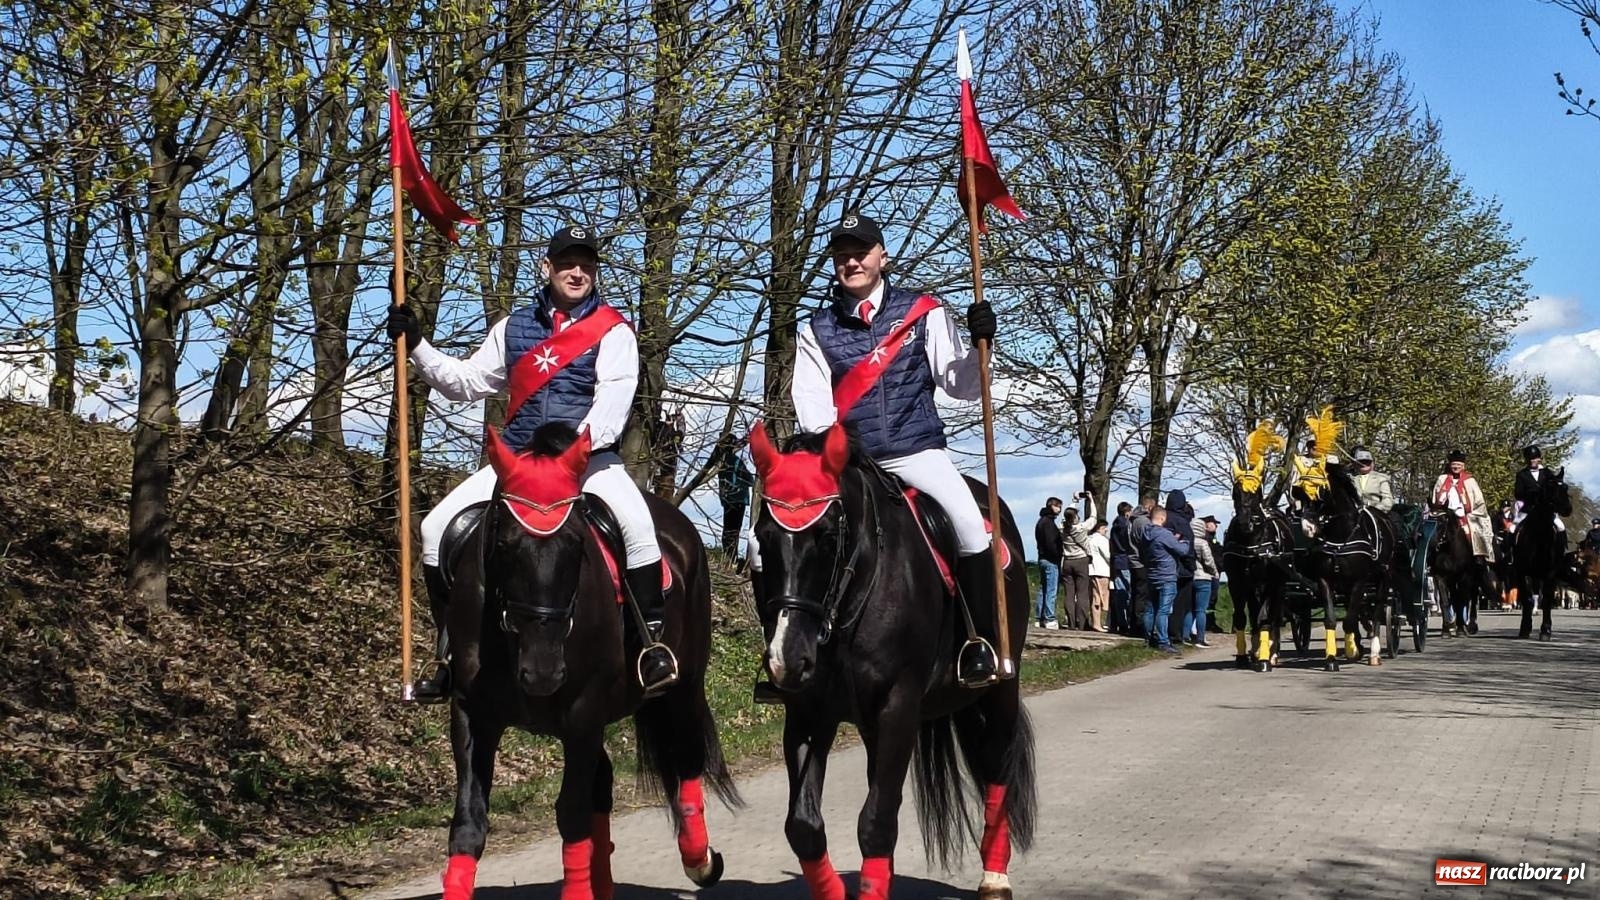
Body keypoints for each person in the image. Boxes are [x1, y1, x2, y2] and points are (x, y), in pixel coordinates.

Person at [387, 225, 678, 702]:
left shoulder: (615, 331)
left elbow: (613, 401)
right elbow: (467, 382)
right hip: (520, 464)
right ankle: (449, 651)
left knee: (638, 529)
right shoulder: (512, 328)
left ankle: (651, 645)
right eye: (567, 263)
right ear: (548, 268)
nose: (577, 272)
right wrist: (418, 345)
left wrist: (573, 453)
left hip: (588, 462)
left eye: (586, 264)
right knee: (435, 528)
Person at [789, 212, 1001, 683]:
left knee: (971, 528)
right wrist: (840, 459)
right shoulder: (815, 330)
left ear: (882, 257)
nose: (852, 262)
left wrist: (982, 347)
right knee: (771, 544)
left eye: (861, 252)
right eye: (842, 255)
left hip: (915, 449)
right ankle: (787, 657)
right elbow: (813, 409)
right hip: (851, 463)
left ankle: (977, 641)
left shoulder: (923, 312)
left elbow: (960, 384)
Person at [1139, 505, 1192, 654]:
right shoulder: (1164, 534)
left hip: (1152, 575)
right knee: (1163, 610)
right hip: (1166, 576)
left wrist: (1171, 540)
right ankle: (1163, 641)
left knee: (1150, 609)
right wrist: (1184, 541)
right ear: (1162, 518)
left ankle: (1149, 638)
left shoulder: (1145, 533)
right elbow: (1182, 550)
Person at [714, 434, 755, 558]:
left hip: (727, 499)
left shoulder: (720, 463)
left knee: (727, 529)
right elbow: (750, 480)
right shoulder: (736, 461)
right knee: (734, 530)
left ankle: (728, 557)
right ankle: (732, 558)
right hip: (738, 499)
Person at [1059, 493, 1097, 629]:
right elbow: (1093, 517)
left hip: (1067, 561)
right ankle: (1081, 623)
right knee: (1082, 593)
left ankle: (1070, 622)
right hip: (1081, 560)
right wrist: (1091, 500)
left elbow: (1067, 514)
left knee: (1069, 593)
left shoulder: (1062, 528)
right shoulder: (1081, 528)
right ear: (1076, 517)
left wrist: (1074, 501)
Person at [1513, 445, 1567, 535]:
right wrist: (1531, 494)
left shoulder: (1546, 472)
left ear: (1539, 458)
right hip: (1528, 509)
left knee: (1561, 527)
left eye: (1534, 458)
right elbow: (1518, 493)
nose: (1532, 461)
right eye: (1530, 458)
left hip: (1546, 510)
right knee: (1512, 528)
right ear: (1526, 460)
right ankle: (1510, 548)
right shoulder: (1522, 475)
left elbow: (1554, 489)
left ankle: (1560, 549)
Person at [1185, 511, 1218, 646]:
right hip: (1204, 578)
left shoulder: (1187, 542)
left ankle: (1185, 635)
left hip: (1190, 577)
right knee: (1201, 610)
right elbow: (1208, 561)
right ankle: (1200, 638)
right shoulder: (1203, 543)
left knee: (1190, 609)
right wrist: (1214, 572)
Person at [1034, 498, 1065, 629]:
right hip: (1051, 560)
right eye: (1058, 506)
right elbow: (1051, 543)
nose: (1060, 509)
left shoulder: (1041, 522)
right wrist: (1058, 555)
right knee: (1051, 590)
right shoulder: (1048, 523)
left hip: (1042, 558)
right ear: (1052, 506)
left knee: (1043, 589)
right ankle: (1049, 618)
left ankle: (1039, 617)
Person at [1108, 501, 1136, 634]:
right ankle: (1131, 621)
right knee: (1130, 592)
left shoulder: (1114, 527)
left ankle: (1121, 623)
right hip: (1126, 560)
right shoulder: (1127, 526)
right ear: (1126, 512)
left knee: (1120, 593)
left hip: (1116, 560)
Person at [1351, 446, 1395, 512]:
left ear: (1372, 463)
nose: (1364, 464)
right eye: (1361, 462)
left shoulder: (1380, 478)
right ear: (1355, 464)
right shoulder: (1350, 479)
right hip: (1355, 512)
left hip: (1377, 512)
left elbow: (1388, 500)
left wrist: (1377, 509)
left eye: (1367, 462)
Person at [1086, 517, 1112, 632]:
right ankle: (1097, 623)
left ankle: (1096, 622)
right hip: (1101, 571)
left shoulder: (1089, 539)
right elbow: (1108, 555)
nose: (1106, 530)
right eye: (1105, 527)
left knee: (1095, 596)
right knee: (1099, 598)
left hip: (1092, 570)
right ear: (1101, 528)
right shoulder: (1101, 540)